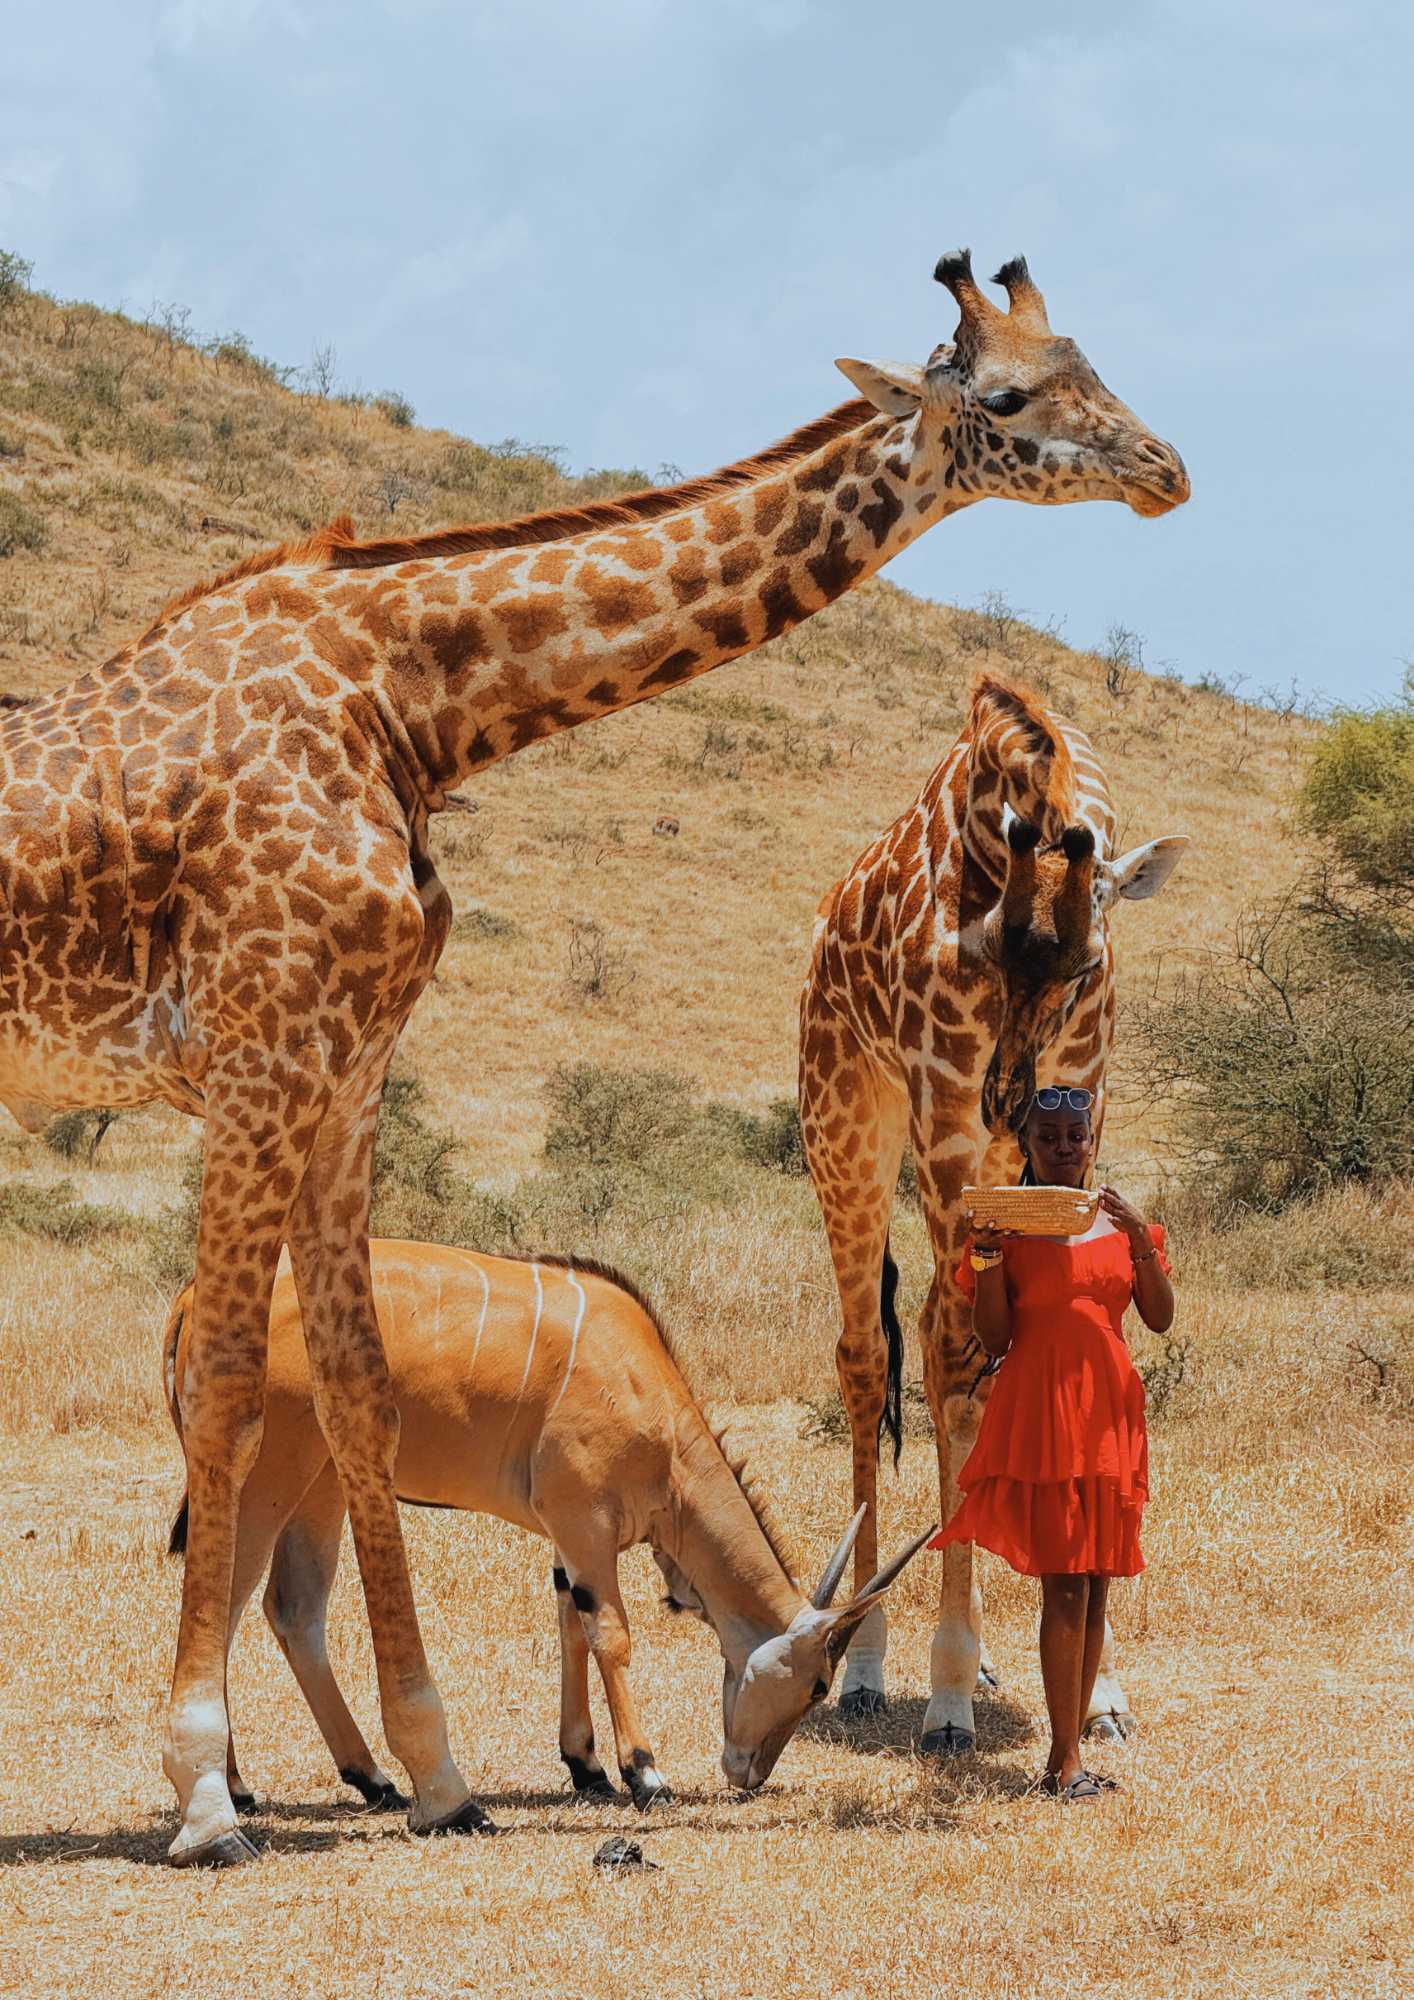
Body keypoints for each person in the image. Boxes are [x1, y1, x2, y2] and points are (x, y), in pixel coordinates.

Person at [930, 1085, 1174, 1800]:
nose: (1065, 1149)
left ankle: (1070, 1753)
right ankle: (1063, 1762)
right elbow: (995, 1336)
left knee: (1095, 1585)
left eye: (1076, 1136)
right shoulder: (1007, 1226)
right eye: (1049, 1139)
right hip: (1043, 1410)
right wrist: (985, 1257)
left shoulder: (1123, 1227)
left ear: (1093, 1140)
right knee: (1065, 1582)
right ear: (1027, 1147)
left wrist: (1137, 1240)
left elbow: (1158, 1319)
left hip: (1108, 1413)